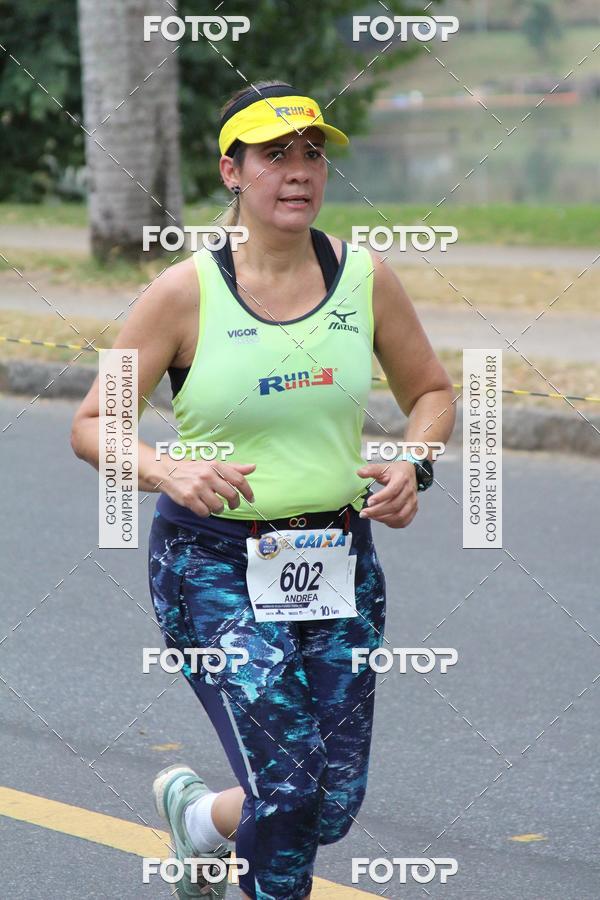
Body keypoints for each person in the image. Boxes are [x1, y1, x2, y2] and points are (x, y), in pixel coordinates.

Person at [71, 80, 456, 900]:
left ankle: (201, 820)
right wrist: (168, 468)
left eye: (312, 153)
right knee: (288, 788)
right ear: (231, 171)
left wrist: (413, 463)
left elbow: (431, 392)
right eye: (274, 155)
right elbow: (93, 424)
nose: (298, 170)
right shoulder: (183, 292)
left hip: (336, 559)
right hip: (212, 563)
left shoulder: (364, 278)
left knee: (330, 803)